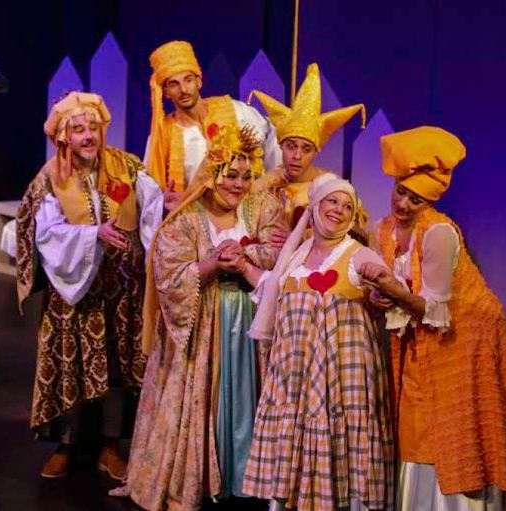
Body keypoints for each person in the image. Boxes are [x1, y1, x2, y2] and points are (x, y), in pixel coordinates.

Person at [359, 126, 506, 509]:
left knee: (453, 426)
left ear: (429, 203)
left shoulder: (438, 233)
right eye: (401, 192)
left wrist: (392, 292)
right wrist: (380, 295)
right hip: (422, 331)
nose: (404, 204)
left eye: (416, 199)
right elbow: (395, 292)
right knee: (415, 415)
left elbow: (435, 310)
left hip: (466, 335)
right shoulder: (384, 230)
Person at [112, 123, 285, 510]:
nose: (238, 185)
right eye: (231, 175)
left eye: (246, 177)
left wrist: (246, 256)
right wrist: (212, 264)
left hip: (250, 326)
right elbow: (170, 274)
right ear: (212, 174)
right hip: (203, 329)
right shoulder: (186, 218)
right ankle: (200, 478)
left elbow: (280, 251)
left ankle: (248, 479)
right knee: (202, 399)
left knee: (247, 399)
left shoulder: (263, 207)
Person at [15, 92, 163, 481]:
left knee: (118, 365)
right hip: (74, 291)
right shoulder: (51, 177)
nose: (88, 136)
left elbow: (153, 211)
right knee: (71, 364)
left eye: (93, 128)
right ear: (63, 136)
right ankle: (66, 444)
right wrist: (92, 235)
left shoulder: (127, 167)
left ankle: (111, 446)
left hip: (122, 287)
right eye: (78, 129)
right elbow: (44, 233)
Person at [244, 173, 394, 511]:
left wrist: (382, 289)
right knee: (293, 438)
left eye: (347, 206)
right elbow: (271, 287)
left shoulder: (356, 254)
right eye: (332, 201)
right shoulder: (295, 256)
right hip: (294, 374)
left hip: (343, 374)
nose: (339, 210)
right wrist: (242, 265)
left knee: (345, 442)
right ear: (315, 206)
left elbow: (385, 280)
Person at [146, 40, 281, 211]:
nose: (183, 90)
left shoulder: (235, 111)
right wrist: (162, 205)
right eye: (174, 84)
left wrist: (270, 180)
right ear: (165, 92)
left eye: (188, 80)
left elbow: (274, 137)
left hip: (245, 214)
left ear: (199, 81)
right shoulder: (162, 137)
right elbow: (149, 194)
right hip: (196, 218)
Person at [250, 63, 367, 243]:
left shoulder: (332, 188)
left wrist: (300, 240)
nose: (297, 156)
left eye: (306, 149)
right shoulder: (266, 184)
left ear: (316, 152)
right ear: (280, 146)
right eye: (291, 146)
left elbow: (354, 239)